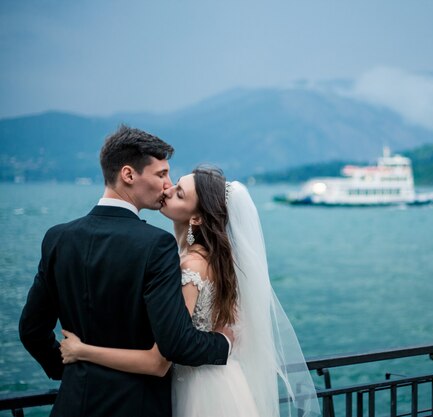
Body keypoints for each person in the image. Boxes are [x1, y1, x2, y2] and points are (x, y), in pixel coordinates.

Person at [59, 167, 320, 417]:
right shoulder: (214, 261)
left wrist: (81, 351)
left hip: (199, 391)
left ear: (196, 218)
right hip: (223, 381)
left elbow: (158, 361)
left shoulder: (191, 266)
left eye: (179, 193)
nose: (168, 190)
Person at [19, 126, 232, 417]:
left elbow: (31, 330)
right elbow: (176, 344)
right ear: (129, 175)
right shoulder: (155, 245)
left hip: (72, 403)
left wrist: (69, 369)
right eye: (161, 174)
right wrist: (224, 343)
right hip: (137, 406)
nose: (167, 185)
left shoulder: (57, 238)